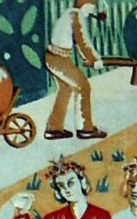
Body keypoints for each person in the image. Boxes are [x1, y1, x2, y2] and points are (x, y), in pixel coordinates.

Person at [43, 0, 107, 140]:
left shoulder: (70, 13)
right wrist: (94, 60)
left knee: (65, 89)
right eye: (92, 7)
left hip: (54, 57)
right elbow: (82, 42)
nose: (92, 11)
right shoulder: (76, 16)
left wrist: (93, 58)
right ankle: (85, 128)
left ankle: (53, 128)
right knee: (83, 87)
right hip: (59, 60)